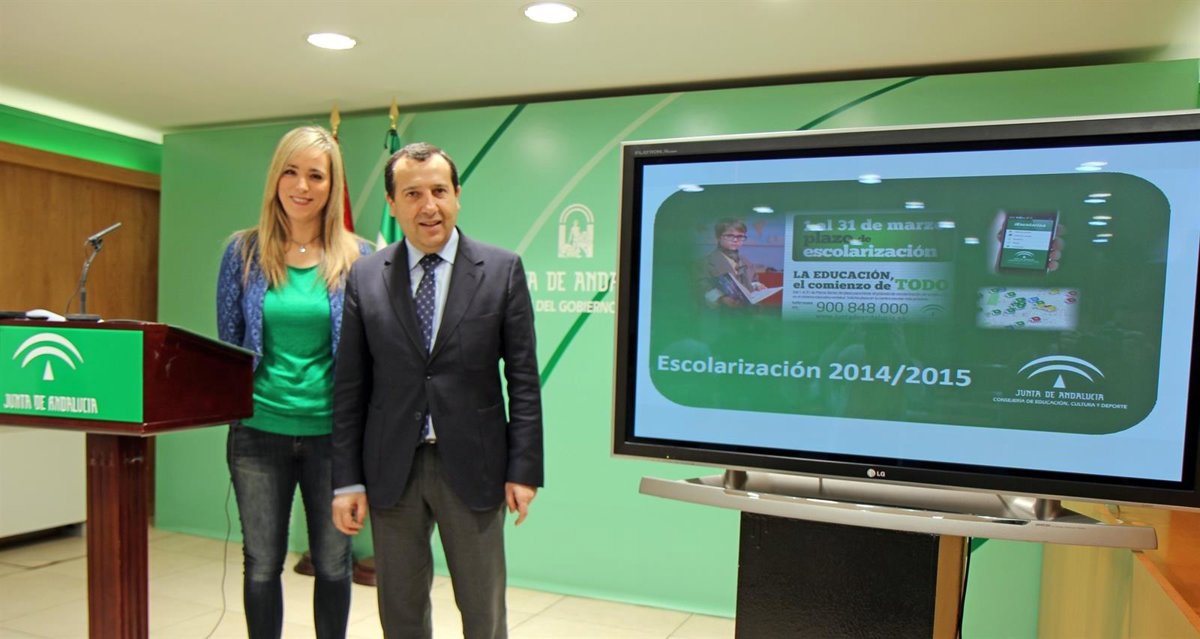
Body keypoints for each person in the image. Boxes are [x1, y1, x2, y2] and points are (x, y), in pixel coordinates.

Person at [331, 142, 543, 639]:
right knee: (400, 610)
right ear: (392, 203)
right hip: (391, 468)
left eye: (440, 191)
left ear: (457, 195)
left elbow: (523, 380)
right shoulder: (365, 275)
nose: (429, 206)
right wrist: (347, 481)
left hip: (474, 465)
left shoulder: (501, 270)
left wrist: (523, 470)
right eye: (413, 194)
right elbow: (350, 386)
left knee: (483, 609)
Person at [216, 125, 371, 639]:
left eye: (316, 176)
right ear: (275, 178)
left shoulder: (361, 257)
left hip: (335, 438)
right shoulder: (242, 253)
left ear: (332, 185)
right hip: (258, 434)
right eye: (291, 171)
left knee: (333, 561)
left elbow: (370, 359)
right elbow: (230, 345)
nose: (302, 186)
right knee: (262, 563)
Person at [701, 217, 764, 307]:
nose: (735, 240)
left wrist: (757, 286)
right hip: (721, 313)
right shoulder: (705, 263)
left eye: (740, 236)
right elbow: (700, 289)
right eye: (729, 236)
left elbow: (752, 281)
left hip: (749, 312)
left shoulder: (746, 261)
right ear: (718, 237)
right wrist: (720, 299)